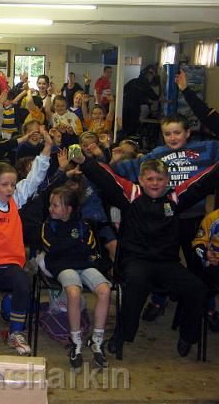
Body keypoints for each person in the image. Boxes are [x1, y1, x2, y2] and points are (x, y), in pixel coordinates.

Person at [73, 153, 219, 357]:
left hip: (167, 263)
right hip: (135, 261)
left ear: (167, 180)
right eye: (150, 179)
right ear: (141, 180)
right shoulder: (131, 194)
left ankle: (188, 337)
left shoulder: (175, 198)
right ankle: (121, 336)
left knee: (197, 288)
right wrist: (84, 162)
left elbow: (202, 182)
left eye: (159, 179)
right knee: (135, 285)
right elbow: (106, 178)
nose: (155, 183)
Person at [112, 114, 219, 321]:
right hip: (165, 219)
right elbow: (130, 169)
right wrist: (112, 161)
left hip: (193, 217)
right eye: (167, 134)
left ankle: (208, 306)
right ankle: (158, 300)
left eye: (177, 132)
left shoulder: (205, 149)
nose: (172, 137)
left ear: (188, 133)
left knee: (199, 262)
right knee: (161, 260)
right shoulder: (157, 154)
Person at [0, 125, 52, 355]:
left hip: (10, 263)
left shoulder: (16, 199)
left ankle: (15, 333)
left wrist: (47, 148)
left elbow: (35, 177)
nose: (10, 188)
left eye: (13, 184)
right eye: (4, 184)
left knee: (23, 282)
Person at [41, 186, 111, 370]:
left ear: (68, 209)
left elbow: (91, 249)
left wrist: (68, 246)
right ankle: (76, 341)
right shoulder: (48, 225)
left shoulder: (83, 225)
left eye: (55, 205)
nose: (50, 208)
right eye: (50, 204)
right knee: (74, 292)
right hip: (62, 266)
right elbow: (51, 248)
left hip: (85, 265)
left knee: (105, 290)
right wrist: (75, 245)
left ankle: (96, 340)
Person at [122, 66, 159, 137]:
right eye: (152, 76)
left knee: (125, 125)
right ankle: (130, 139)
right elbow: (154, 97)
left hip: (125, 106)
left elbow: (124, 90)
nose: (152, 79)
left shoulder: (133, 81)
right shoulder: (146, 85)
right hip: (134, 108)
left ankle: (124, 138)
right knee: (132, 126)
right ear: (149, 75)